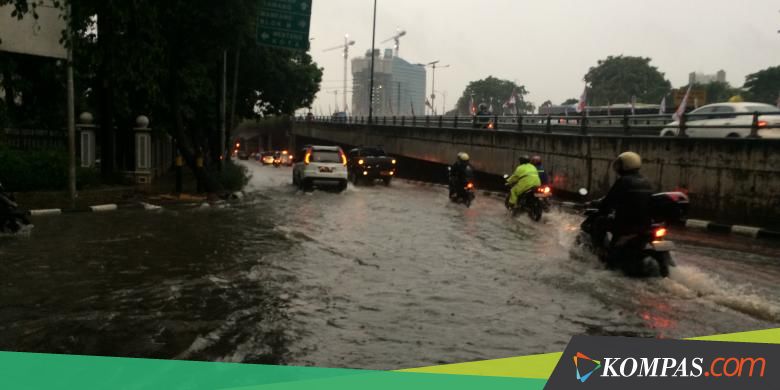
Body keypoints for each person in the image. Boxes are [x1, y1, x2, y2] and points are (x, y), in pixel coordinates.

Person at [590, 151, 654, 265]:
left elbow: (609, 201)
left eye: (619, 164)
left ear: (626, 165)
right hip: (645, 224)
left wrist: (602, 209)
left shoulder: (623, 181)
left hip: (626, 224)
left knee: (599, 221)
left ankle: (599, 251)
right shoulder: (646, 181)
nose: (617, 167)